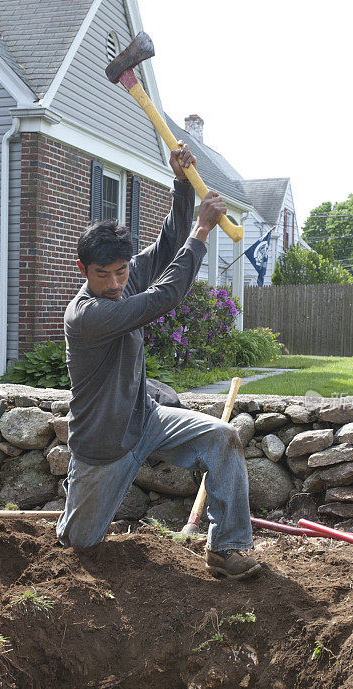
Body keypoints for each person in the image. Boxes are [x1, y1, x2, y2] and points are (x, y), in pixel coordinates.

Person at [56, 142, 261, 580]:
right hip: (104, 446)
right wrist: (202, 231)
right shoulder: (89, 315)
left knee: (222, 438)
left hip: (144, 418)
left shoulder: (123, 282)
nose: (114, 283)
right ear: (82, 269)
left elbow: (168, 245)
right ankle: (74, 504)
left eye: (121, 272)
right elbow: (165, 296)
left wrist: (182, 183)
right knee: (78, 547)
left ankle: (227, 549)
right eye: (102, 274)